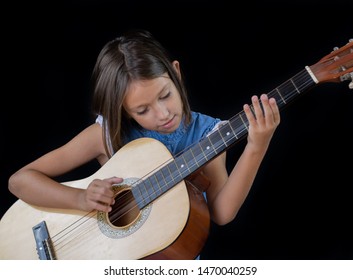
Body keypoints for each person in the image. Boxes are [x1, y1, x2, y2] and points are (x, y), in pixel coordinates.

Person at [8, 29, 280, 257]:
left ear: (176, 74)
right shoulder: (105, 135)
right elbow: (20, 181)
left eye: (165, 95)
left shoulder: (208, 135)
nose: (163, 114)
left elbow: (220, 213)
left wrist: (256, 146)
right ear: (123, 110)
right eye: (142, 110)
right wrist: (79, 198)